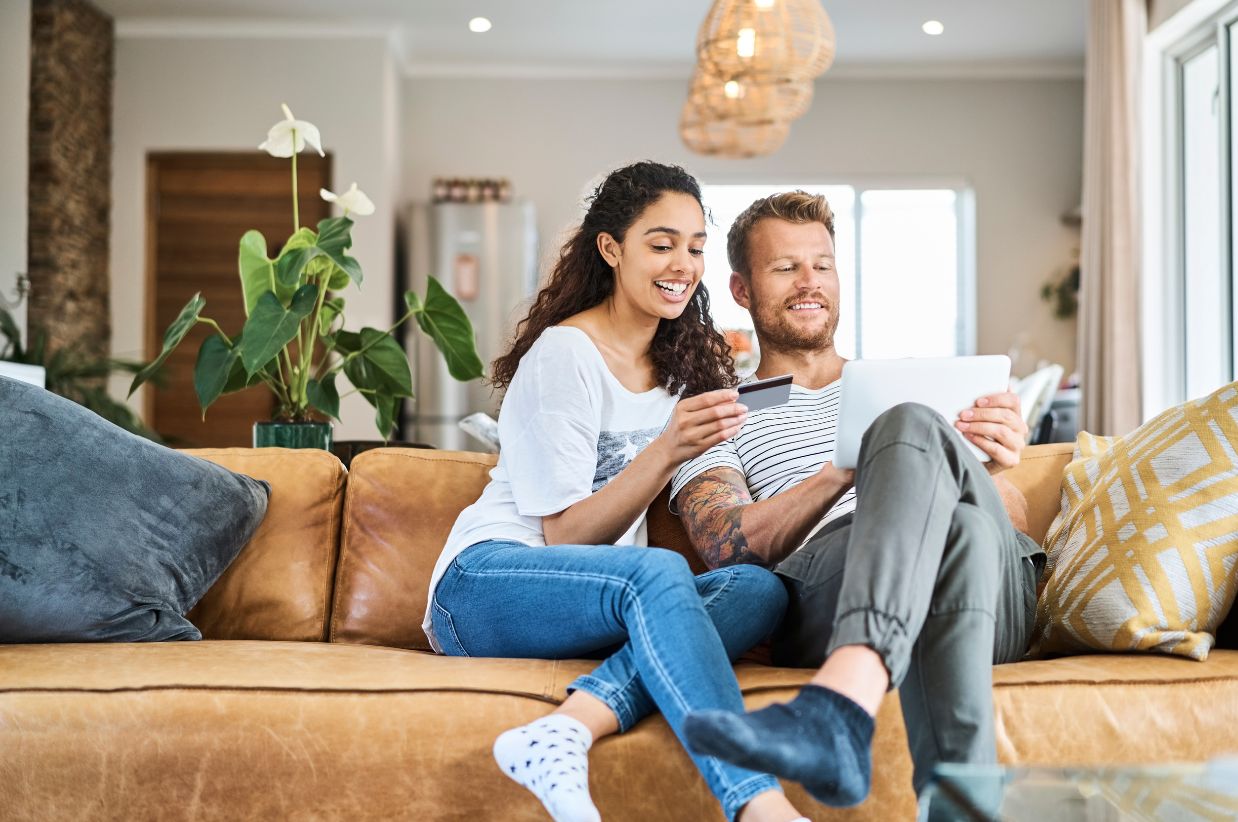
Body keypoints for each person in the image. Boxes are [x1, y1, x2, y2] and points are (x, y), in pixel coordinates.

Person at [425, 163, 808, 822]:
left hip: (593, 598)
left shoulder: (679, 370)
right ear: (612, 249)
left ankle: (567, 727)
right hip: (485, 582)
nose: (682, 264)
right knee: (658, 573)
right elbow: (564, 536)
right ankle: (758, 803)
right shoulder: (564, 356)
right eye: (661, 244)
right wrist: (667, 448)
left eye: (694, 247)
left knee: (758, 588)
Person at [670, 191, 1042, 809]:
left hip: (1000, 596)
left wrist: (993, 466)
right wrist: (849, 466)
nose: (809, 282)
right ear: (741, 289)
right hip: (830, 583)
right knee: (956, 525)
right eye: (785, 267)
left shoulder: (914, 386)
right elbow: (723, 545)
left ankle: (839, 707)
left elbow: (1014, 524)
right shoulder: (723, 410)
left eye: (822, 265)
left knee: (954, 497)